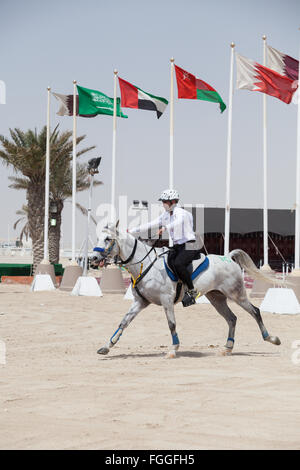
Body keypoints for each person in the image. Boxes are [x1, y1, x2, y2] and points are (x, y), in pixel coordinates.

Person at [129, 189, 201, 305]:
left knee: (178, 264)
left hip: (190, 244)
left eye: (164, 202)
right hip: (178, 246)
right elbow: (151, 224)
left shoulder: (181, 213)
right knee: (167, 261)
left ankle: (192, 291)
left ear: (172, 202)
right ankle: (177, 289)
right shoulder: (166, 215)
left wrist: (165, 228)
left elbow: (178, 222)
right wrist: (132, 230)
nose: (162, 204)